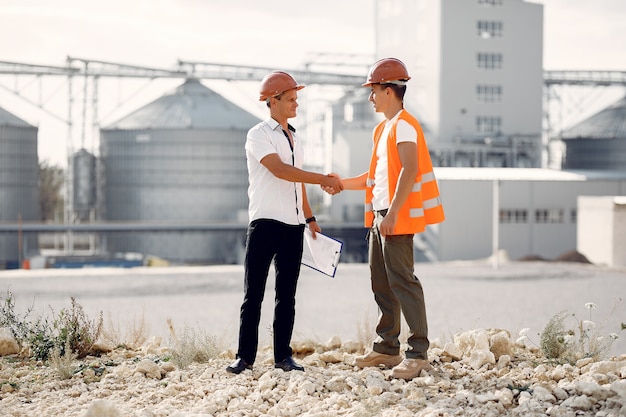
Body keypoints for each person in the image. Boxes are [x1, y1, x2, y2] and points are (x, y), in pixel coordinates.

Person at [323, 58, 445, 380]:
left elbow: (409, 169)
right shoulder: (384, 128)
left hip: (394, 218)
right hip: (380, 218)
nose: (370, 97)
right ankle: (387, 348)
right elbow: (375, 177)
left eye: (373, 91)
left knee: (404, 282)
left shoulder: (404, 124)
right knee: (381, 283)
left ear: (389, 91)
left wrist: (391, 214)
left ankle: (417, 354)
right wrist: (341, 183)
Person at [226, 71, 343, 374]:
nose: (296, 105)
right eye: (291, 99)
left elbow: (297, 184)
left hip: (294, 227)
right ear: (272, 100)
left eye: (296, 99)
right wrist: (322, 179)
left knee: (286, 296)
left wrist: (311, 217)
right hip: (264, 224)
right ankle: (245, 358)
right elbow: (280, 171)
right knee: (253, 295)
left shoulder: (296, 137)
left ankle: (283, 357)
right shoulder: (258, 135)